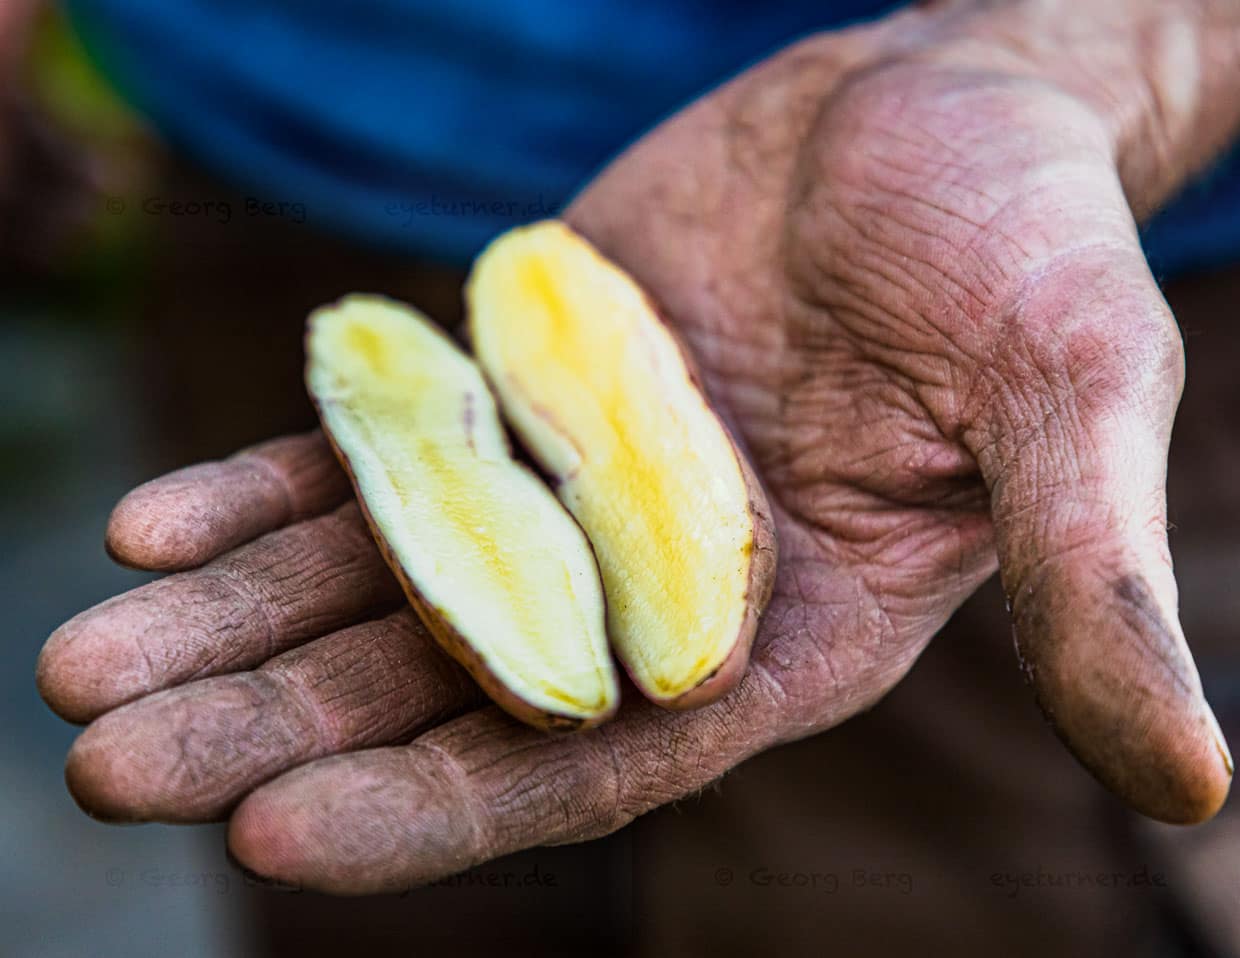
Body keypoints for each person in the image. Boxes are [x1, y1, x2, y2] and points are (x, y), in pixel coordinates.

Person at [30, 0, 1240, 949]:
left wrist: (1111, 40)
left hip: (905, 279)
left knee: (912, 887)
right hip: (268, 131)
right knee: (381, 900)